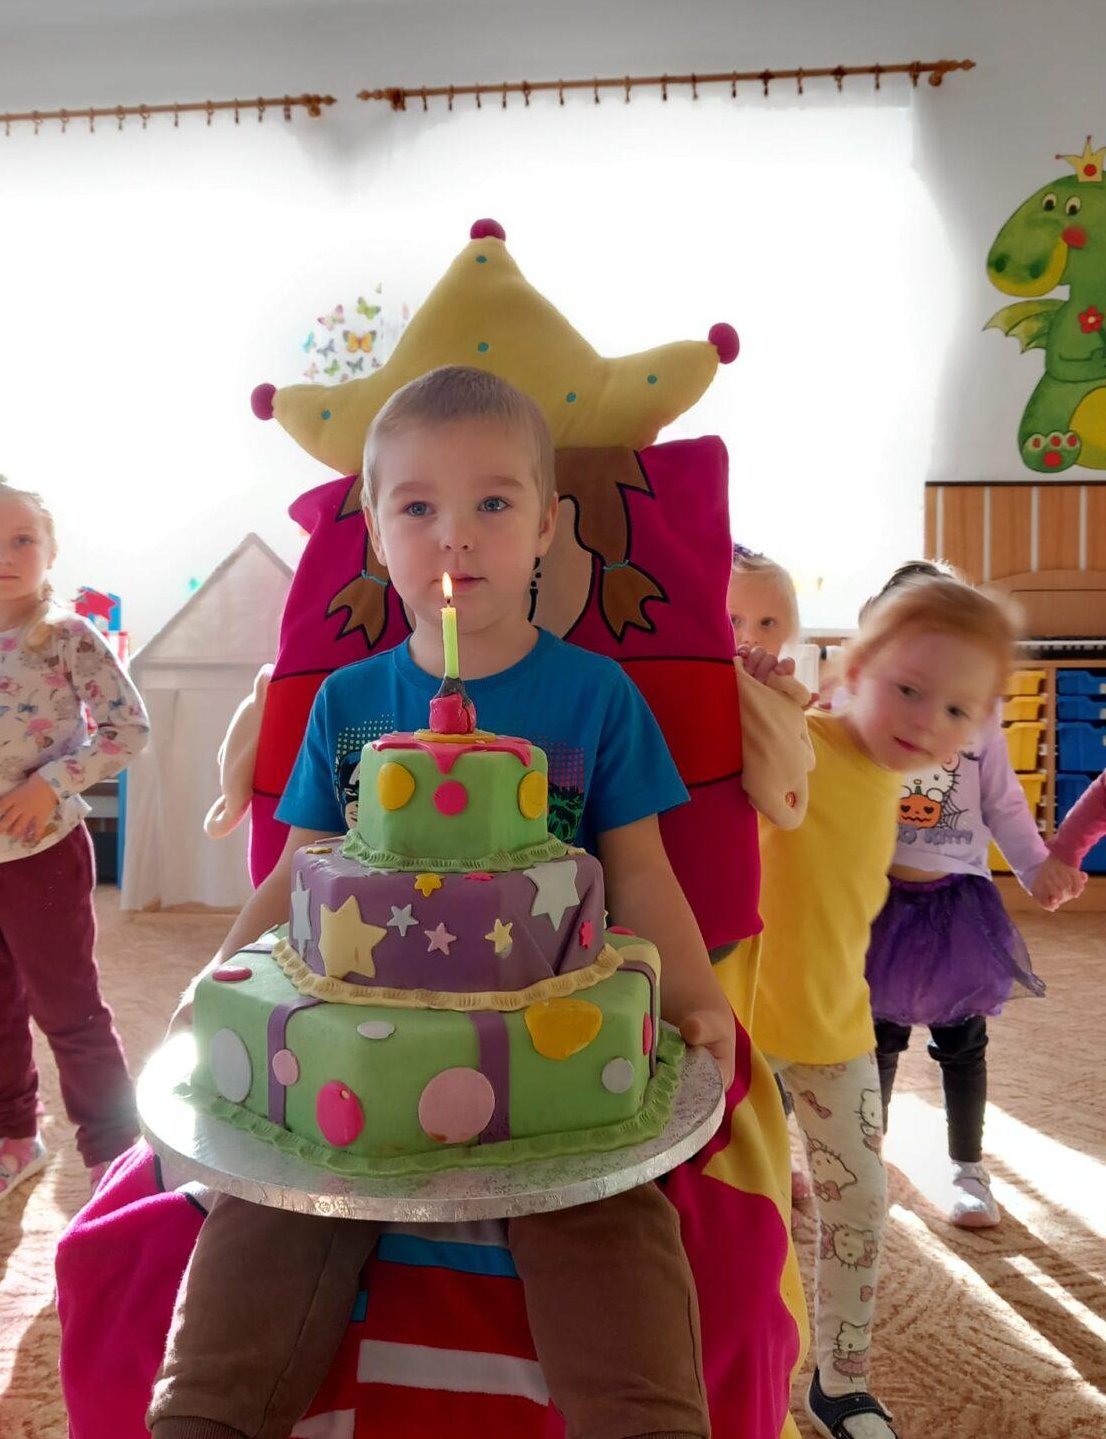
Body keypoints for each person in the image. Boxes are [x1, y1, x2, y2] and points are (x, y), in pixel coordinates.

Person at [147, 366, 736, 1439]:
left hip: (552, 1038)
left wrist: (698, 998)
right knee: (272, 1202)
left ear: (547, 526)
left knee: (605, 1211)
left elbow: (644, 870)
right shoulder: (348, 702)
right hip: (358, 1049)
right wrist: (217, 976)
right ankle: (207, 1418)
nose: (453, 535)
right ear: (376, 534)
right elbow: (298, 869)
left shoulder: (597, 696)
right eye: (417, 507)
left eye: (492, 502)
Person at [747, 572, 1026, 1439]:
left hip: (836, 1027)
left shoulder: (903, 774)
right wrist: (754, 686)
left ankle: (842, 1384)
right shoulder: (800, 737)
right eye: (909, 689)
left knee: (861, 1207)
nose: (927, 721)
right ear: (856, 668)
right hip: (747, 1029)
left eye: (956, 710)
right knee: (743, 1217)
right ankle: (739, 1375)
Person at [0, 474, 149, 1206]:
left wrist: (52, 783)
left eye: (21, 540)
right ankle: (14, 1138)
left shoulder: (66, 637)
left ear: (49, 550)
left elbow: (127, 729)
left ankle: (114, 1152)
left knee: (70, 1009)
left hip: (39, 855)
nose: (3, 554)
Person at [861, 562, 1083, 1230]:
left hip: (955, 904)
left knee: (961, 1042)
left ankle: (967, 1166)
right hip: (874, 902)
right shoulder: (865, 710)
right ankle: (866, 1158)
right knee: (876, 1041)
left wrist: (1036, 867)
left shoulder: (978, 718)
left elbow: (1004, 804)